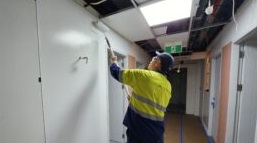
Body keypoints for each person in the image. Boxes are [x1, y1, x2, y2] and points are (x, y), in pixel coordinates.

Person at [110, 51, 174, 143]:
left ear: (158, 63)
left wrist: (114, 62)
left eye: (154, 58)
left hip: (139, 130)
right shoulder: (168, 85)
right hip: (156, 132)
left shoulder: (144, 75)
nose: (151, 61)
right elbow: (153, 104)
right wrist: (133, 99)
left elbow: (117, 73)